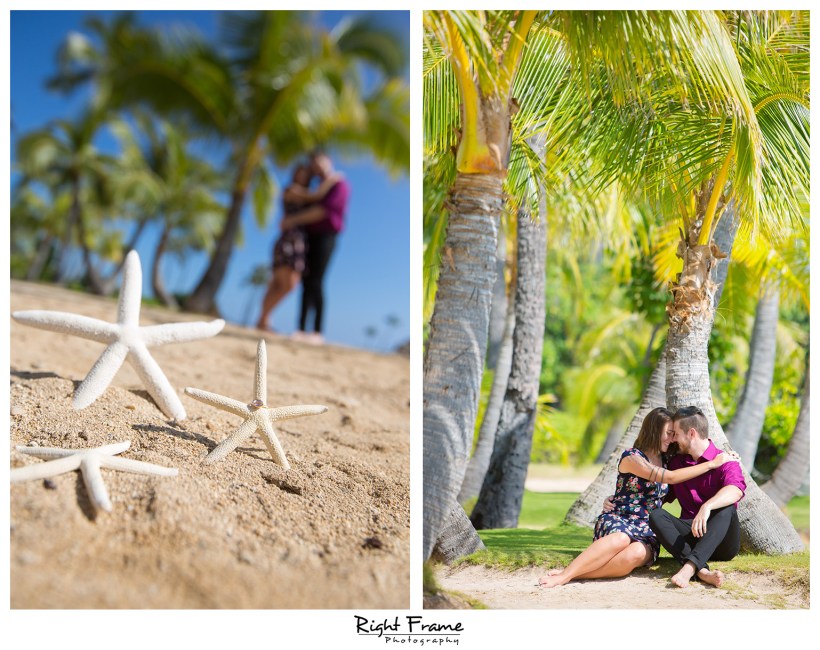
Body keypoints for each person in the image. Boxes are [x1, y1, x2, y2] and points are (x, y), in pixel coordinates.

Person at [538, 407, 738, 588]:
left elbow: (664, 493)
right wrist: (712, 464)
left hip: (649, 529)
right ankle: (566, 575)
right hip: (622, 519)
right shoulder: (634, 457)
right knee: (621, 539)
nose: (672, 439)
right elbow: (669, 479)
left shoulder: (672, 460)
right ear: (654, 430)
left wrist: (710, 499)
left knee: (637, 552)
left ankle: (577, 575)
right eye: (669, 433)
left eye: (674, 434)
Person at [648, 405, 746, 588]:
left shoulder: (724, 459)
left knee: (727, 506)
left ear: (691, 433)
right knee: (656, 515)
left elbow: (736, 490)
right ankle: (701, 571)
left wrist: (706, 507)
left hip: (722, 543)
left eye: (676, 433)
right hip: (691, 535)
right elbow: (658, 496)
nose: (673, 439)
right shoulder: (676, 464)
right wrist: (618, 500)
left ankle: (689, 568)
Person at [256, 163, 341, 332]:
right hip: (290, 240)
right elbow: (316, 197)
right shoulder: (293, 190)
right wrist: (333, 180)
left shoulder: (302, 194)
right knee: (286, 283)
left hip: (297, 241)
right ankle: (263, 318)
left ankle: (263, 320)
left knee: (279, 283)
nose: (302, 177)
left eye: (306, 175)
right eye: (300, 173)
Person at [280, 152, 349, 344]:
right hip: (309, 237)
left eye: (320, 161)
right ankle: (301, 329)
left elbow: (324, 211)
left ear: (329, 161)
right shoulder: (317, 188)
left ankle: (317, 332)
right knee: (306, 281)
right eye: (314, 164)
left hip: (327, 237)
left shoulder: (339, 183)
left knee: (317, 280)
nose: (317, 166)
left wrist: (292, 220)